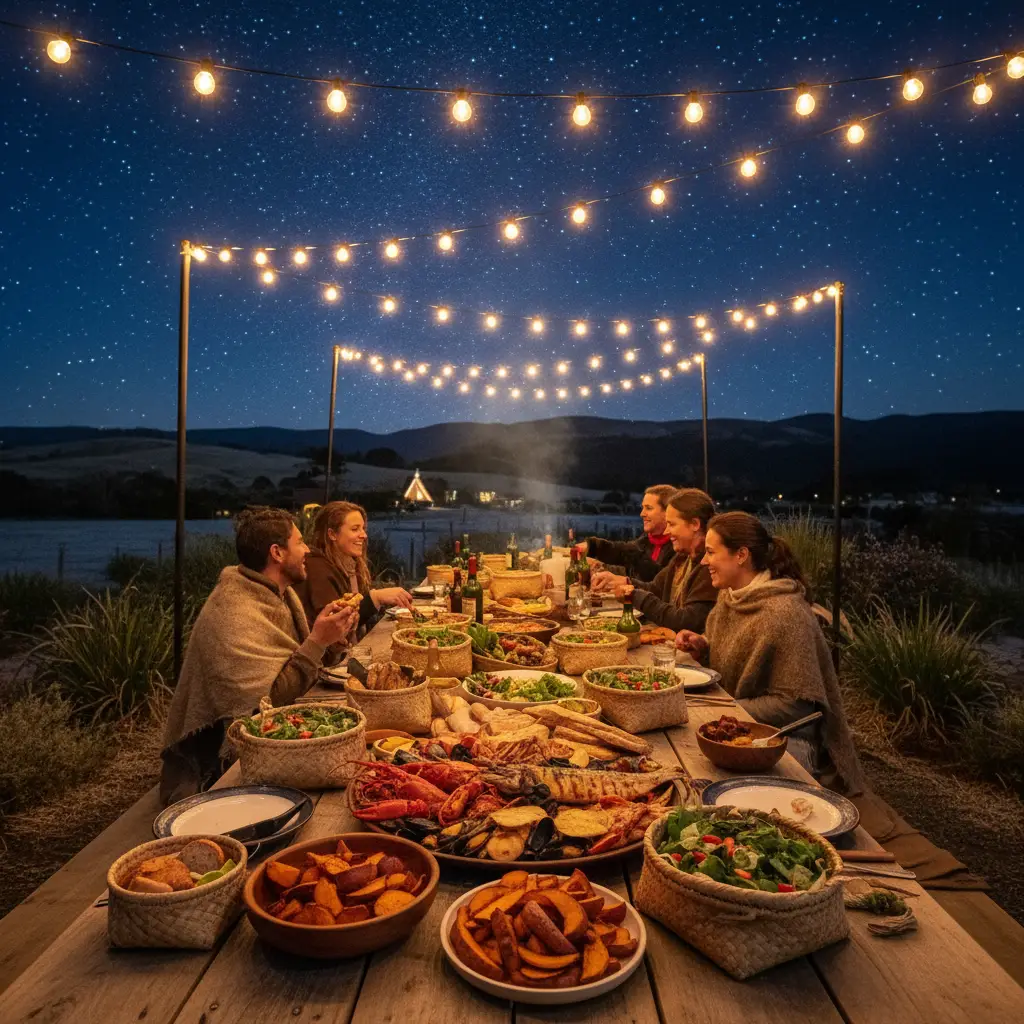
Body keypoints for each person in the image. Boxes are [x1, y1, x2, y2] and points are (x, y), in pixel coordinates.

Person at [160, 507, 358, 805]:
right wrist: (318, 641)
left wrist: (333, 640)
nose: (307, 550)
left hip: (277, 732)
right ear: (277, 553)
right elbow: (265, 705)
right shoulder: (234, 612)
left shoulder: (277, 593)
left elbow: (298, 664)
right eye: (300, 542)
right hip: (218, 768)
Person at [676, 511, 865, 794]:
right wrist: (703, 645)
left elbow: (796, 705)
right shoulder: (730, 597)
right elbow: (730, 654)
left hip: (786, 740)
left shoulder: (785, 613)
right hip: (737, 728)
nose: (703, 561)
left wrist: (719, 710)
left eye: (711, 552)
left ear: (741, 555)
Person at [590, 488, 717, 633]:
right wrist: (624, 583)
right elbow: (655, 589)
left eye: (672, 524)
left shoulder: (710, 566)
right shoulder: (682, 557)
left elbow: (686, 621)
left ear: (695, 524)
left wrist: (634, 595)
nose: (666, 531)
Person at [295, 501, 413, 642]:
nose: (364, 535)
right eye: (355, 529)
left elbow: (355, 618)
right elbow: (336, 627)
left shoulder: (347, 565)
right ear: (332, 534)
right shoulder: (317, 569)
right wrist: (376, 597)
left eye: (363, 528)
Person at [582, 484, 677, 582]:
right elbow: (627, 566)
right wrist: (598, 566)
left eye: (648, 508)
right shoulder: (645, 540)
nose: (642, 514)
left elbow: (657, 582)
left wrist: (594, 547)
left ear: (667, 512)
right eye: (642, 508)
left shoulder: (677, 547)